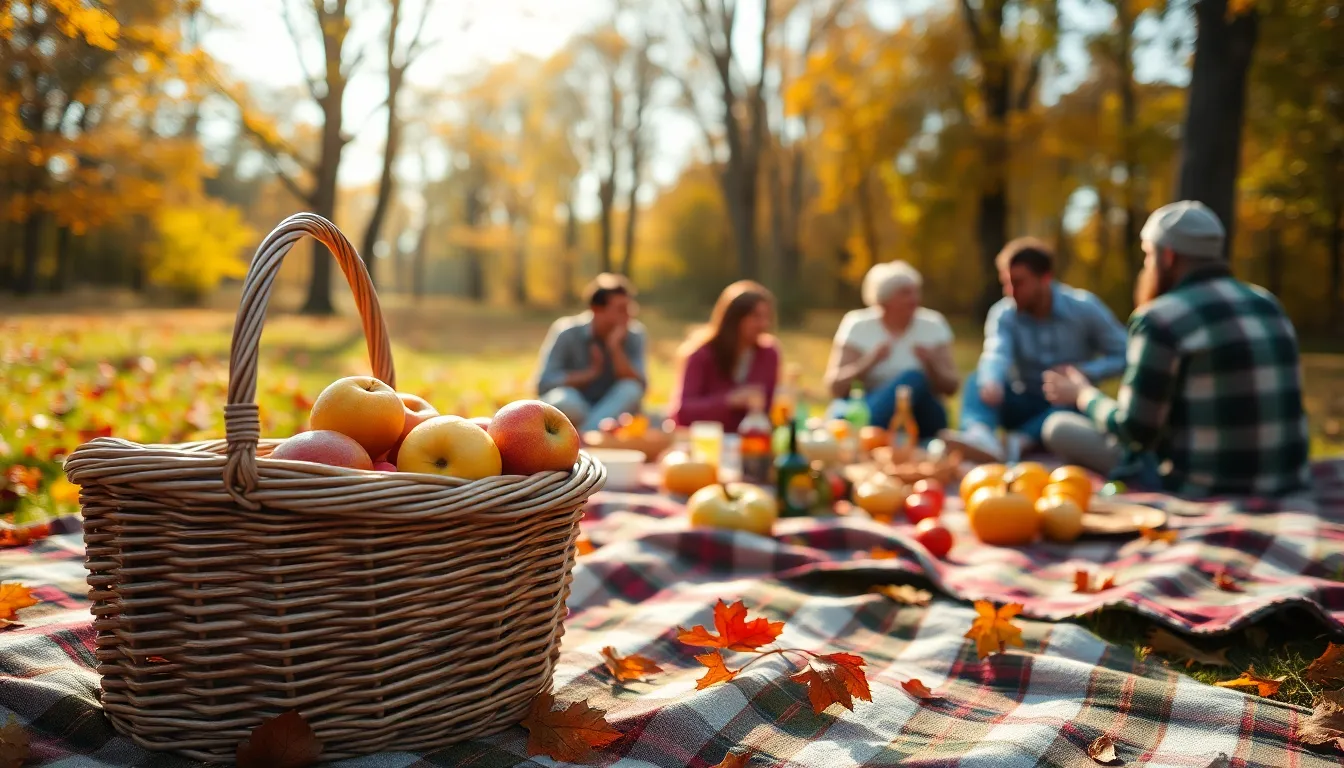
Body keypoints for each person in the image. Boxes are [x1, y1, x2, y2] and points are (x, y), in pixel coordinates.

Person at [1041, 201, 1311, 497]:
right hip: (1287, 480)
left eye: (1147, 256)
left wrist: (1082, 394)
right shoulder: (1268, 303)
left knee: (1058, 427)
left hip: (1202, 487)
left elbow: (1135, 432)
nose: (1145, 267)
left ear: (1167, 256)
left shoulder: (1160, 318)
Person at [939, 238, 1129, 462]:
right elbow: (996, 352)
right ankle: (980, 436)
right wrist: (992, 380)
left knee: (1075, 401)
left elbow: (1125, 354)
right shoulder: (1004, 313)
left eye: (1018, 283)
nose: (1010, 292)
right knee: (977, 378)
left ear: (1045, 278)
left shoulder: (1084, 308)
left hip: (1065, 405)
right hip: (1023, 400)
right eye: (1005, 283)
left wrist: (1085, 372)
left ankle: (1016, 444)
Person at [822, 260, 959, 438]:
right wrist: (869, 362)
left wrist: (931, 364)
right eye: (905, 293)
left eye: (916, 292)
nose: (914, 299)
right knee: (845, 409)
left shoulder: (933, 324)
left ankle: (861, 427)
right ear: (884, 299)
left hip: (922, 412)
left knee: (913, 379)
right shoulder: (857, 324)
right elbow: (834, 386)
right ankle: (863, 426)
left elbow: (952, 387)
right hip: (869, 400)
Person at [534, 273, 647, 432]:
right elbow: (544, 383)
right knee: (566, 400)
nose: (628, 316)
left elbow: (639, 386)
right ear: (596, 309)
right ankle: (595, 431)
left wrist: (615, 348)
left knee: (630, 389)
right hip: (576, 406)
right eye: (621, 309)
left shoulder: (635, 335)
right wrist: (590, 374)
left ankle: (584, 435)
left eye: (629, 308)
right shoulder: (567, 332)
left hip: (612, 406)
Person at [669, 280, 780, 432]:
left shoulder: (769, 354)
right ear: (734, 319)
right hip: (705, 442)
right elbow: (683, 412)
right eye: (755, 317)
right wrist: (729, 401)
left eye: (766, 317)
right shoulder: (702, 354)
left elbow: (769, 411)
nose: (763, 324)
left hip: (750, 443)